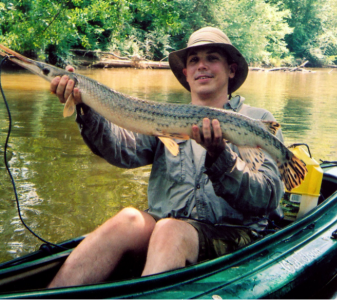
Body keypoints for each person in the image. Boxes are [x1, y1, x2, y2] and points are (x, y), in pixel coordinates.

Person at [47, 27, 284, 288]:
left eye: (212, 58)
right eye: (194, 60)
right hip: (164, 227)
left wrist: (221, 156)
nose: (201, 66)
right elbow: (120, 151)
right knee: (128, 219)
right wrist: (86, 106)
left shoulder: (258, 120)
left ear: (231, 69)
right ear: (186, 74)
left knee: (170, 231)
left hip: (233, 235)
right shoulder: (166, 117)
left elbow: (267, 197)